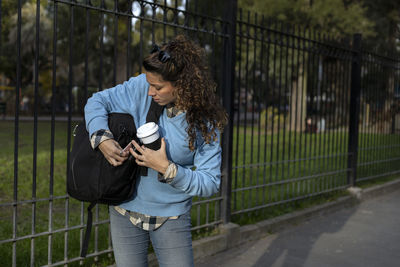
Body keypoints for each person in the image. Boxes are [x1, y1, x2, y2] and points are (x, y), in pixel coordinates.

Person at [84, 35, 227, 267]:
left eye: (158, 87)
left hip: (172, 216)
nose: (150, 92)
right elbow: (97, 101)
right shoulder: (142, 87)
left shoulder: (204, 123)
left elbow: (210, 182)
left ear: (183, 85)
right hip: (125, 208)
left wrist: (166, 168)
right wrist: (102, 138)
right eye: (149, 84)